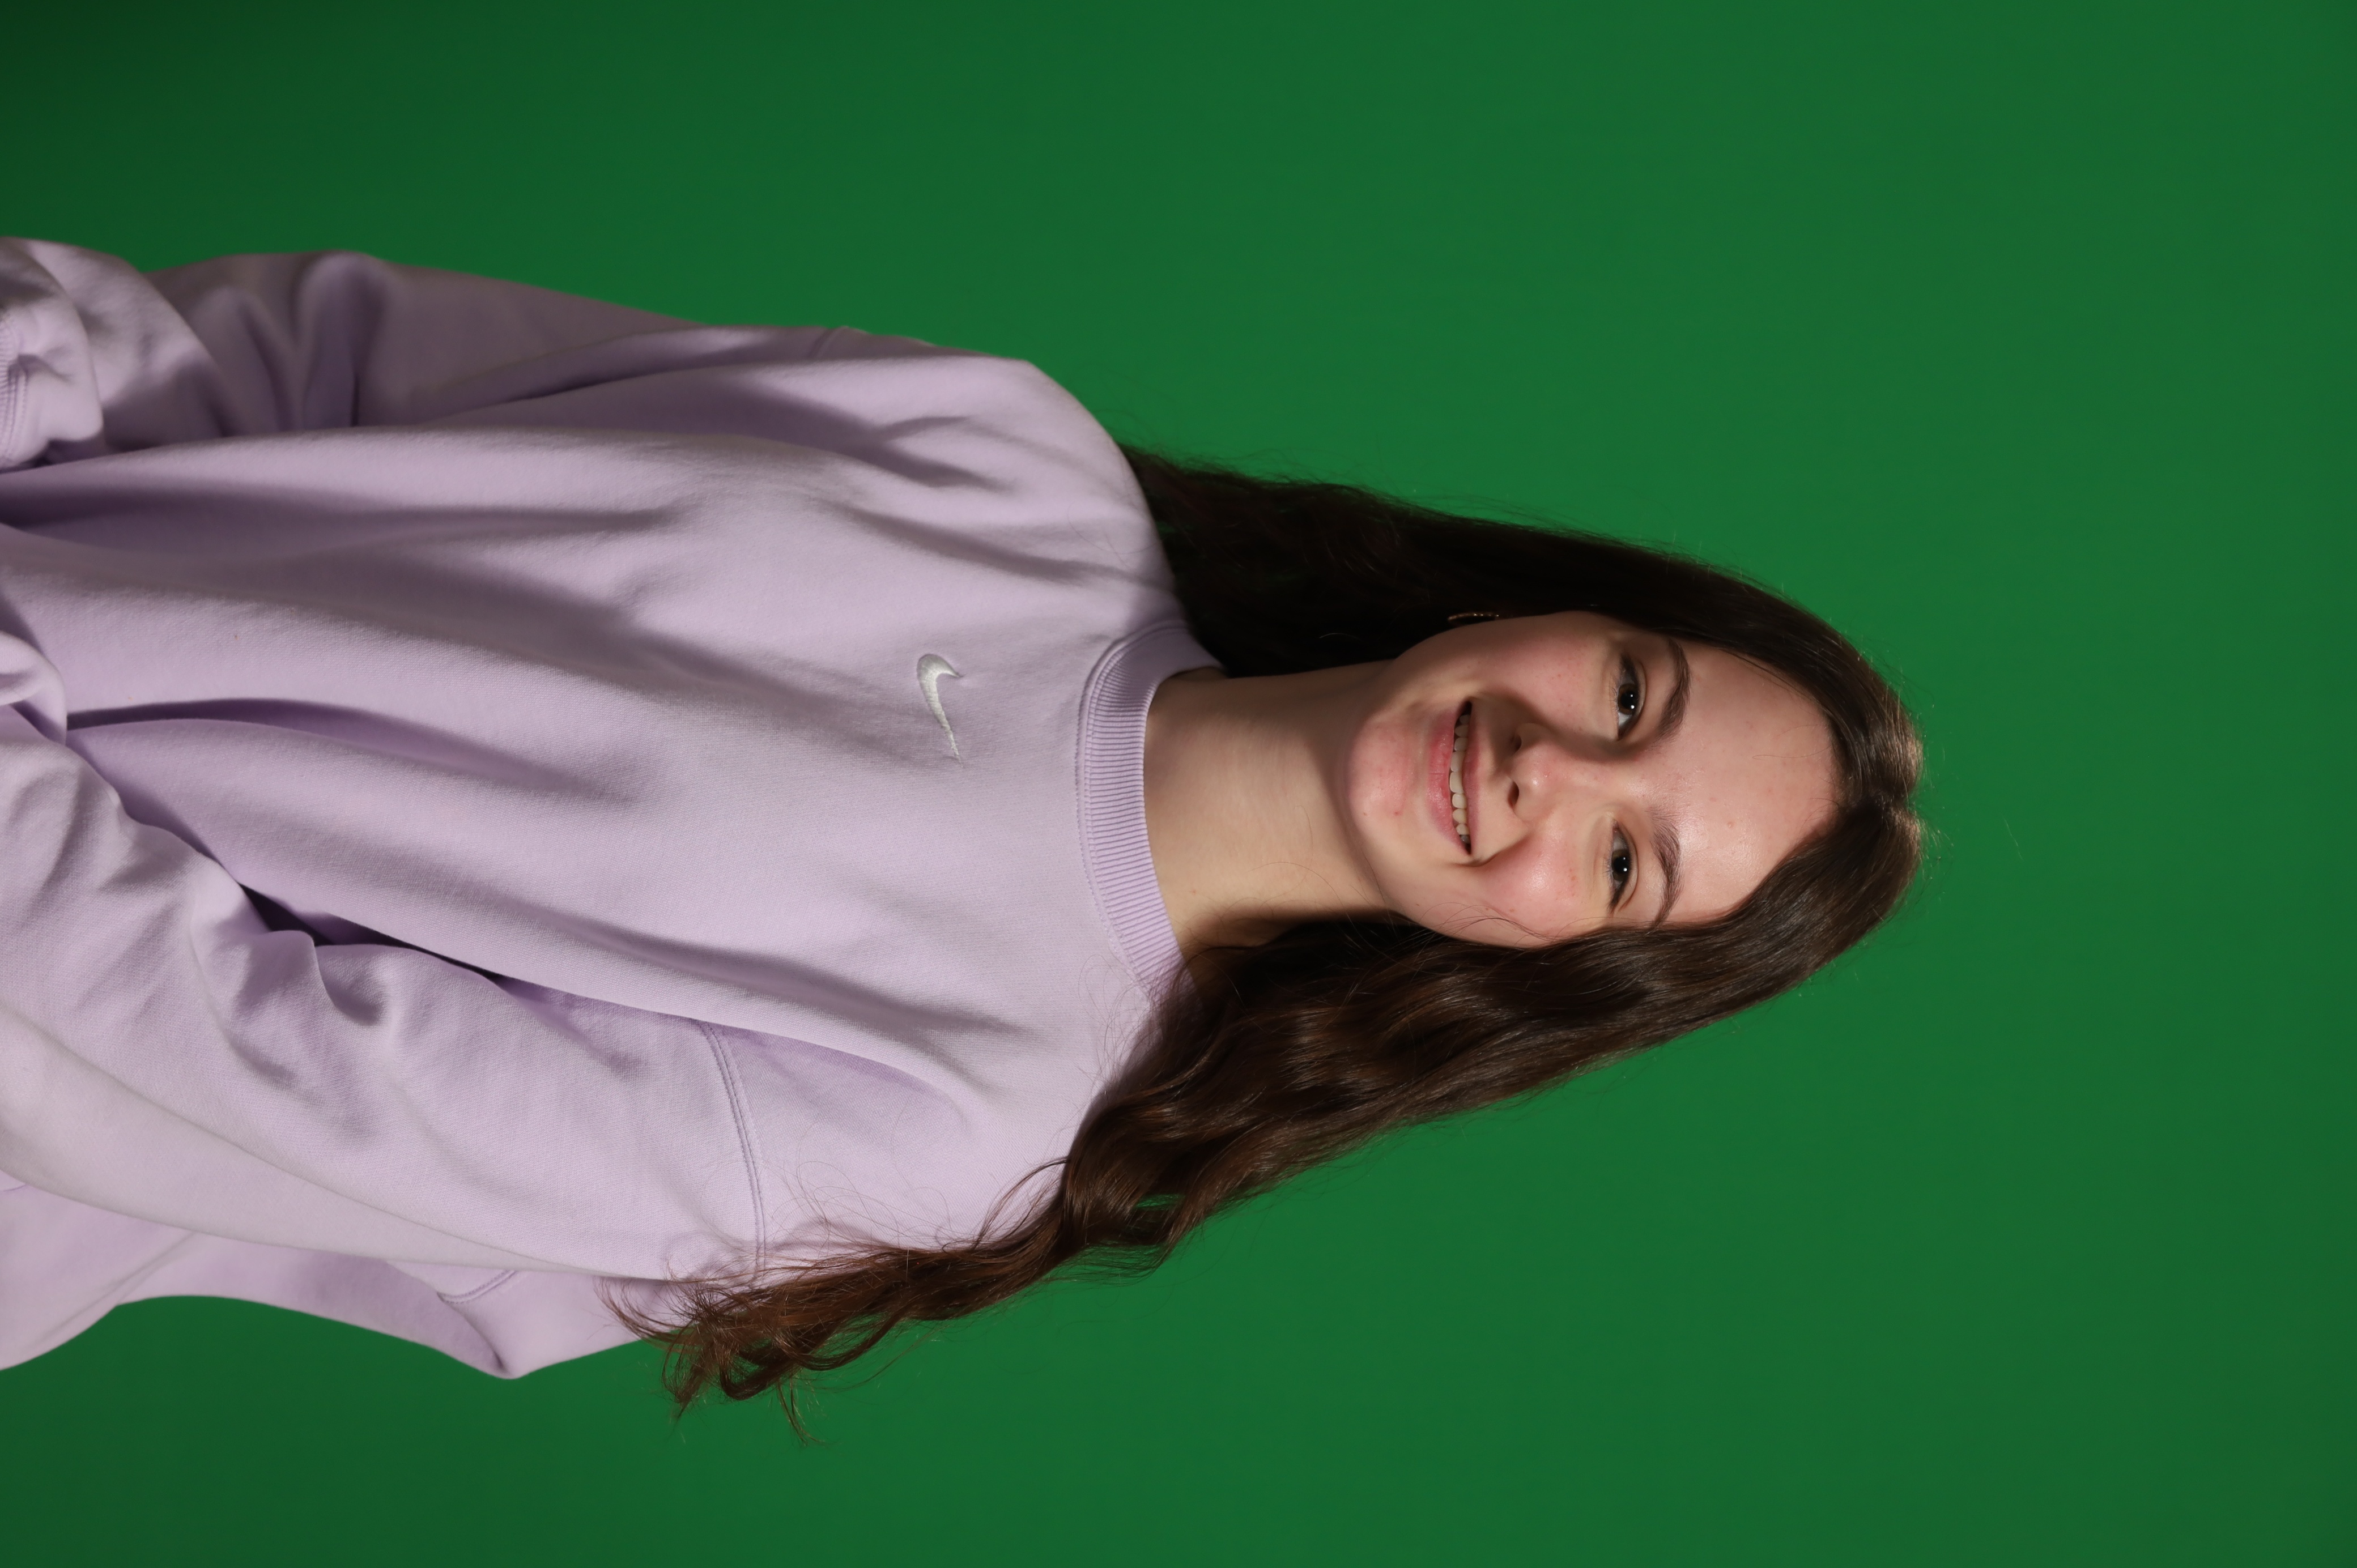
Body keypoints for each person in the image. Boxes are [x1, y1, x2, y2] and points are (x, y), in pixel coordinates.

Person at [0, 241, 1921, 1417]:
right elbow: (313, 359)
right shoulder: (1009, 455)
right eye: (1630, 696)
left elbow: (217, 1065)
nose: (1549, 771)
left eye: (1623, 861)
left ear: (1554, 971)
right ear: (1559, 608)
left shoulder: (966, 1122)